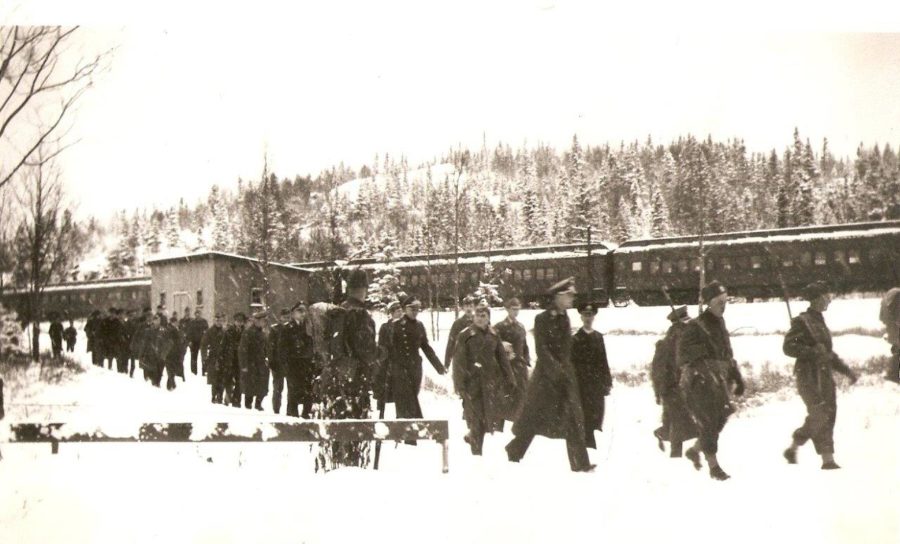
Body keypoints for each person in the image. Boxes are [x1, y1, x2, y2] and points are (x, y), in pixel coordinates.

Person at [506, 277, 594, 472]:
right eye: (569, 295)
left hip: (564, 376)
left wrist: (567, 371)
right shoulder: (542, 319)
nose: (572, 299)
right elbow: (542, 350)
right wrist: (557, 371)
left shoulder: (565, 318)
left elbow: (566, 349)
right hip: (545, 379)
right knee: (532, 419)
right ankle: (514, 451)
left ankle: (581, 463)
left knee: (573, 418)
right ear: (558, 297)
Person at [783, 281, 859, 470]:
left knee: (828, 413)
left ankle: (805, 451)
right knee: (820, 412)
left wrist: (846, 371)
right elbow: (788, 347)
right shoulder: (802, 321)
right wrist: (811, 351)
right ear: (817, 299)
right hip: (808, 375)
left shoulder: (819, 321)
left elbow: (827, 353)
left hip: (823, 374)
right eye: (826, 297)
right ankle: (822, 457)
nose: (829, 301)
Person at [677, 280, 745, 481]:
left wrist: (736, 376)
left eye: (725, 302)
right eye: (719, 302)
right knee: (708, 422)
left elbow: (727, 353)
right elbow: (682, 354)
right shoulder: (695, 326)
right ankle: (714, 467)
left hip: (719, 380)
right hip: (701, 382)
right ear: (709, 303)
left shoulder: (720, 323)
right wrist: (701, 352)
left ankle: (696, 449)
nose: (723, 306)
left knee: (722, 415)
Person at [316, 268, 378, 470]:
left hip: (335, 380)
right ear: (363, 289)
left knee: (336, 429)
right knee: (354, 433)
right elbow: (366, 350)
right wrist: (383, 352)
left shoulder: (336, 312)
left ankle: (335, 466)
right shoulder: (360, 315)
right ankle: (351, 469)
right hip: (355, 382)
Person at [454, 304, 516, 455]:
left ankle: (473, 438)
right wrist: (459, 385)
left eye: (484, 316)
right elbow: (458, 362)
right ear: (473, 317)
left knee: (485, 418)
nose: (480, 319)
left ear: (489, 318)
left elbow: (502, 358)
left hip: (489, 383)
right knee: (475, 418)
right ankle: (476, 453)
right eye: (478, 316)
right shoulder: (465, 335)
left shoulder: (494, 335)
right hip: (472, 383)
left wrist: (510, 378)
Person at [389, 295, 446, 432]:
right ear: (404, 309)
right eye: (412, 309)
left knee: (412, 396)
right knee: (405, 398)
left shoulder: (419, 326)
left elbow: (425, 347)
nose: (415, 312)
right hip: (400, 368)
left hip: (415, 368)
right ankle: (408, 430)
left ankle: (410, 429)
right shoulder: (395, 326)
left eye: (417, 309)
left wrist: (439, 366)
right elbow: (388, 349)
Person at [650, 305, 696, 458]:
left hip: (679, 388)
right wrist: (659, 392)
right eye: (684, 324)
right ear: (678, 325)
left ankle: (662, 435)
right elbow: (658, 370)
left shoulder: (681, 341)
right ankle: (675, 458)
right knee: (679, 423)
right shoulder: (667, 344)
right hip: (672, 388)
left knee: (678, 423)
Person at [571, 301, 613, 450]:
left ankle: (591, 440)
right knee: (585, 413)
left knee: (597, 412)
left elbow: (603, 360)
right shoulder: (575, 339)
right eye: (585, 315)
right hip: (582, 383)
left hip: (596, 383)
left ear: (594, 317)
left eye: (591, 315)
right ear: (581, 317)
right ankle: (588, 444)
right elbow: (573, 363)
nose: (588, 318)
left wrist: (607, 381)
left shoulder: (598, 337)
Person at [493, 296, 530, 422]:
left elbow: (525, 346)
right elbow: (493, 344)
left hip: (520, 366)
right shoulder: (500, 327)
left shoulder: (521, 326)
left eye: (518, 309)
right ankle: (506, 418)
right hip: (506, 366)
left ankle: (518, 419)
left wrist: (526, 360)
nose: (516, 312)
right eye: (513, 309)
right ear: (507, 309)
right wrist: (503, 347)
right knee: (507, 394)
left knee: (521, 394)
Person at [280, 302, 316, 417]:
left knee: (308, 391)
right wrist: (285, 365)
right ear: (293, 313)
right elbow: (282, 348)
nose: (302, 314)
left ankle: (306, 415)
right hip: (293, 365)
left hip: (307, 364)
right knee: (293, 392)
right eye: (299, 311)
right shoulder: (287, 328)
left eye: (304, 311)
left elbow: (312, 345)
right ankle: (293, 417)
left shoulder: (308, 327)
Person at [373, 300, 402, 412]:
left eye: (400, 311)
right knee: (384, 389)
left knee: (401, 392)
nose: (400, 313)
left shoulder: (404, 326)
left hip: (400, 363)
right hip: (387, 362)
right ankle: (381, 413)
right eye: (397, 311)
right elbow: (381, 345)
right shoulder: (385, 327)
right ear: (392, 313)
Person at [238, 310, 270, 410]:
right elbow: (243, 350)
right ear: (257, 321)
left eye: (265, 321)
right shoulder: (248, 333)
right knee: (250, 387)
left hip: (261, 364)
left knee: (262, 386)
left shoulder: (263, 333)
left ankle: (258, 404)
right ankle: (248, 405)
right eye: (263, 321)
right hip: (251, 364)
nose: (264, 323)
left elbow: (266, 348)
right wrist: (244, 365)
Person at [445, 295, 476, 374]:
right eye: (466, 306)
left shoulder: (478, 322)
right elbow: (451, 343)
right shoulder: (457, 324)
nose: (468, 308)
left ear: (474, 307)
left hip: (476, 359)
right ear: (463, 307)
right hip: (461, 360)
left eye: (471, 306)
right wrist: (447, 363)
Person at [143, 313, 174, 388]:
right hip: (151, 354)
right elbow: (145, 342)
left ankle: (157, 383)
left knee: (160, 370)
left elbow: (170, 342)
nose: (156, 322)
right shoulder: (149, 331)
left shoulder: (164, 331)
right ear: (153, 321)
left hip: (161, 354)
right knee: (152, 370)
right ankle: (155, 383)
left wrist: (165, 352)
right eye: (155, 320)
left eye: (158, 320)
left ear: (160, 321)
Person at [221, 313, 246, 407]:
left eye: (241, 321)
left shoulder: (245, 332)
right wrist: (222, 358)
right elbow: (223, 346)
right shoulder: (229, 332)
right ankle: (227, 397)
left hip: (240, 360)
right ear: (234, 321)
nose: (239, 323)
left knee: (239, 381)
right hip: (229, 359)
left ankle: (236, 400)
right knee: (228, 380)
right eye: (238, 321)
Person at [268, 308, 290, 413]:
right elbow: (271, 347)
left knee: (291, 388)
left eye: (288, 317)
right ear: (280, 317)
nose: (286, 319)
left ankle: (290, 410)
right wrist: (272, 361)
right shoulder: (275, 329)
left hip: (289, 363)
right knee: (278, 388)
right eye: (284, 317)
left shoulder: (291, 328)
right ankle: (276, 409)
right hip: (278, 362)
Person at [201, 313, 227, 403]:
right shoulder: (210, 331)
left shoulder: (224, 332)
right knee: (214, 378)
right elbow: (204, 345)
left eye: (220, 321)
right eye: (217, 320)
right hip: (213, 357)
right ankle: (214, 395)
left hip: (222, 358)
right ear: (214, 321)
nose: (219, 322)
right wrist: (204, 357)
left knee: (222, 378)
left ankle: (220, 396)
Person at [880, 287, 900, 383]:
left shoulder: (892, 292)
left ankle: (892, 373)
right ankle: (891, 373)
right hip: (894, 325)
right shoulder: (897, 294)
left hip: (891, 324)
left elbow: (881, 316)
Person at [186, 308, 209, 376]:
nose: (198, 315)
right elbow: (189, 332)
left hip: (203, 342)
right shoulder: (192, 322)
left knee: (204, 357)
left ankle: (204, 371)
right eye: (196, 314)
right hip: (194, 342)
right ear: (195, 315)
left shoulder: (204, 322)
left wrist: (207, 340)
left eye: (199, 314)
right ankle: (193, 372)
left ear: (201, 314)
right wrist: (190, 341)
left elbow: (207, 332)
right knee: (193, 357)